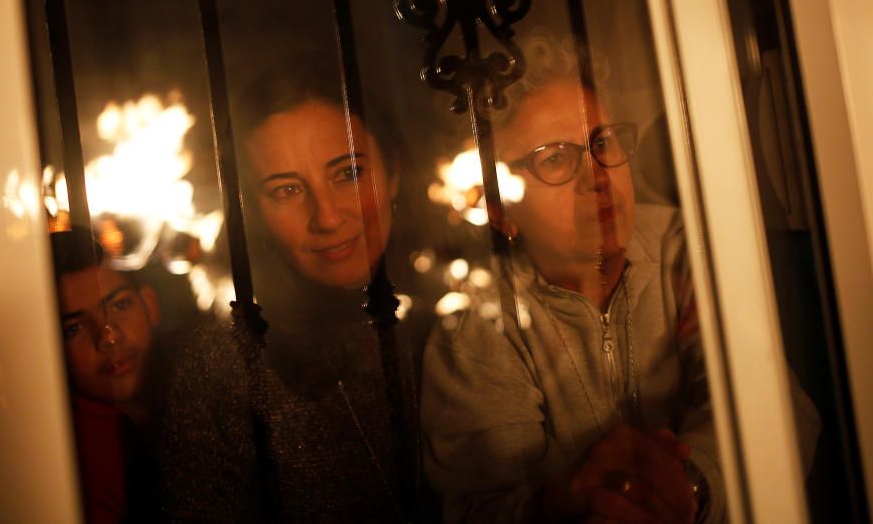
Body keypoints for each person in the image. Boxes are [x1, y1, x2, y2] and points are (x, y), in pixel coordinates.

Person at [420, 44, 819, 523]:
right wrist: (572, 505)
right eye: (554, 160)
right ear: (502, 211)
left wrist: (688, 488)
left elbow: (776, 407)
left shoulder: (685, 246)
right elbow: (482, 506)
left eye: (603, 143)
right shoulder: (478, 326)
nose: (597, 178)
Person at [158, 62, 430, 522]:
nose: (325, 216)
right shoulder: (226, 365)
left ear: (395, 172)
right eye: (285, 190)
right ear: (254, 213)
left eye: (347, 173)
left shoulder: (455, 318)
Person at [51, 228, 165, 524]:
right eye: (74, 328)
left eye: (119, 305)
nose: (107, 337)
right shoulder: (70, 459)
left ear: (150, 305)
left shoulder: (205, 395)